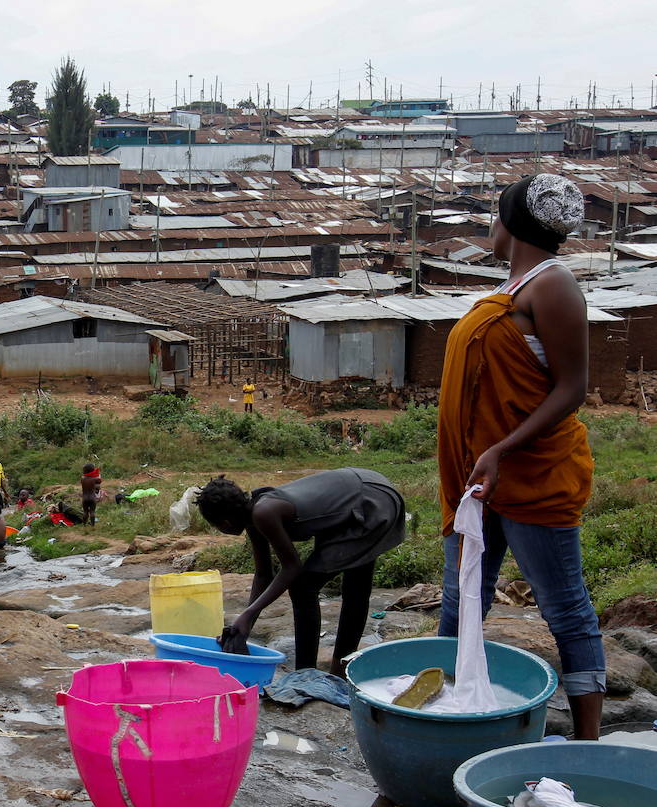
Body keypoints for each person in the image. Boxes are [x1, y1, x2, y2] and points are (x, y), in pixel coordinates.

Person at [436, 173, 605, 740]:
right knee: (461, 602)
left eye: (493, 213)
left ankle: (588, 742)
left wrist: (503, 447)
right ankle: (445, 716)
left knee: (565, 609)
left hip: (532, 474)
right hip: (480, 481)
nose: (490, 223)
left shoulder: (552, 286)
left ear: (509, 222)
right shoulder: (514, 289)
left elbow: (572, 387)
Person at [198, 469, 406, 679]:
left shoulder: (264, 512)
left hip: (370, 501)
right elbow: (263, 575)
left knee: (305, 588)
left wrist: (249, 614)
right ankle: (338, 668)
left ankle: (309, 674)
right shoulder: (254, 514)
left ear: (224, 522)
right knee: (351, 586)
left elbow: (292, 567)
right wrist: (244, 624)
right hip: (357, 496)